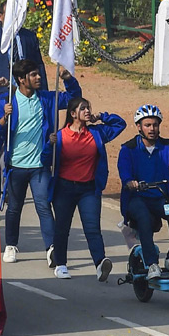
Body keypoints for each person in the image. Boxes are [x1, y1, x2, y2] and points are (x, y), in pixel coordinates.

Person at [0, 58, 79, 265]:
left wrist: (69, 79)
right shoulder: (7, 101)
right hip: (15, 166)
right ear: (21, 79)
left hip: (40, 166)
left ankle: (51, 249)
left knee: (43, 205)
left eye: (38, 74)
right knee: (14, 207)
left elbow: (74, 99)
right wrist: (4, 117)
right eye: (33, 75)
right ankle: (11, 245)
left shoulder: (47, 99)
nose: (39, 77)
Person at [50, 97, 124, 280]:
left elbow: (120, 124)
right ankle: (60, 264)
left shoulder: (97, 133)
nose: (87, 111)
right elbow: (46, 160)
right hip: (64, 188)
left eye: (88, 108)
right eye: (83, 109)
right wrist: (48, 145)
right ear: (73, 113)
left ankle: (100, 263)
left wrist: (100, 116)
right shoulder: (60, 136)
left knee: (92, 228)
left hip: (89, 189)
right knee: (62, 227)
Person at [118, 104, 169, 281]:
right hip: (137, 200)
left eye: (155, 125)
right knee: (143, 216)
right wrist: (130, 182)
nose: (152, 129)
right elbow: (124, 171)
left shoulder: (167, 146)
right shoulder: (128, 149)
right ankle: (152, 264)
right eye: (147, 125)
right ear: (139, 127)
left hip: (162, 199)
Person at [0, 1, 48, 103]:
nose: (14, 18)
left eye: (16, 15)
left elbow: (39, 65)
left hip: (27, 93)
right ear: (0, 16)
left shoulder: (29, 37)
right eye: (9, 14)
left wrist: (43, 91)